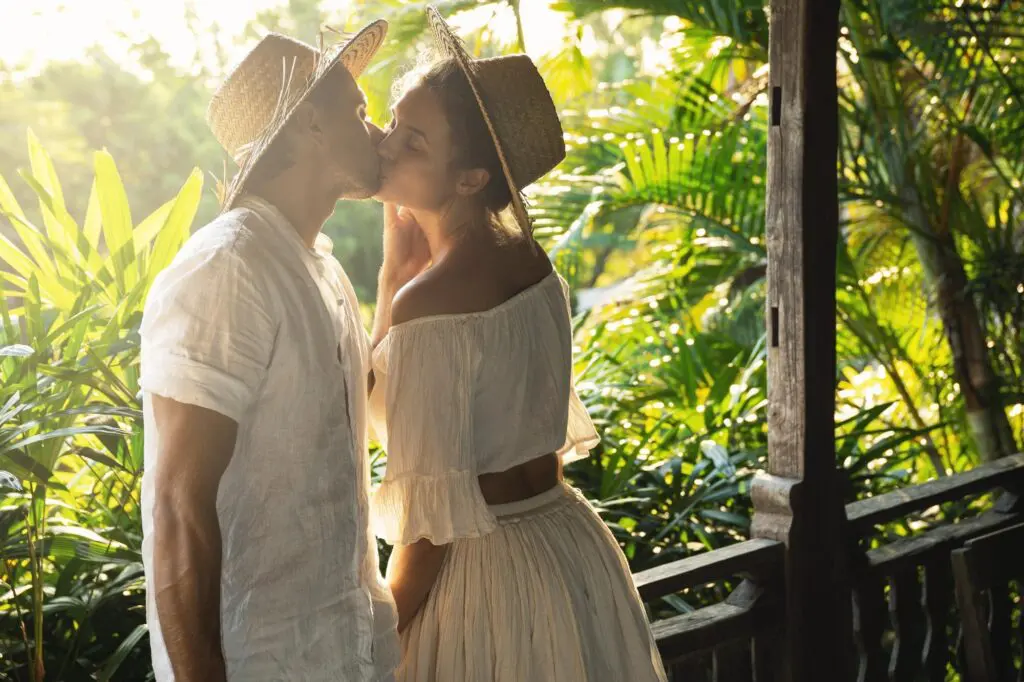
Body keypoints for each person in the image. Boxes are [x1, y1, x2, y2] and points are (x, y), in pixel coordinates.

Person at [366, 8, 669, 681]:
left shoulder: (433, 302)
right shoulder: (531, 262)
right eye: (393, 126)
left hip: (481, 582)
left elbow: (430, 524)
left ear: (471, 178)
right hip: (566, 548)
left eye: (412, 141)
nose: (385, 146)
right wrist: (394, 275)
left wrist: (377, 634)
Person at [139, 23, 424, 681]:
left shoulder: (320, 267)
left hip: (350, 650)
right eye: (358, 111)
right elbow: (178, 507)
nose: (379, 132)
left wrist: (394, 284)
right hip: (262, 661)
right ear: (309, 127)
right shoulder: (227, 268)